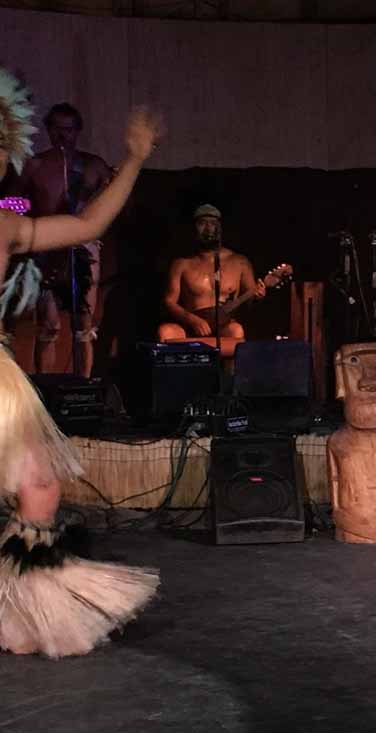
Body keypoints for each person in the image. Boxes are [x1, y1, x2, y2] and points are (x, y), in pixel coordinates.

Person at [1, 68, 162, 658]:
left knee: (40, 488)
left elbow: (89, 224)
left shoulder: (7, 224)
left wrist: (134, 160)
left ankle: (25, 613)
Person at [17, 103, 114, 377]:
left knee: (83, 327)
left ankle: (84, 390)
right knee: (48, 325)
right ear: (48, 130)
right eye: (57, 129)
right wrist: (27, 218)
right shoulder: (34, 165)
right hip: (46, 246)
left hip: (84, 247)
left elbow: (114, 205)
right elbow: (11, 201)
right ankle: (46, 389)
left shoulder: (94, 166)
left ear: (77, 131)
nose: (63, 135)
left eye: (68, 129)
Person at [157, 204, 265, 342]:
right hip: (189, 326)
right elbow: (169, 301)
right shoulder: (181, 264)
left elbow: (250, 300)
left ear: (220, 228)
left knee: (236, 330)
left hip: (224, 326)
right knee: (166, 332)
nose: (208, 228)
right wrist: (193, 320)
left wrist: (258, 296)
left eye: (213, 223)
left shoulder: (239, 262)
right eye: (202, 223)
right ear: (194, 228)